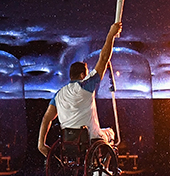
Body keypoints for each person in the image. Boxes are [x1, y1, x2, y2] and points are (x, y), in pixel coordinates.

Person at [38, 21, 122, 158]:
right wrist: (111, 35)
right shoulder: (86, 87)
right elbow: (104, 58)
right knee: (110, 134)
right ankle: (101, 171)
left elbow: (47, 118)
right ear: (83, 75)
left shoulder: (58, 95)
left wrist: (41, 144)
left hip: (69, 141)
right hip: (90, 139)